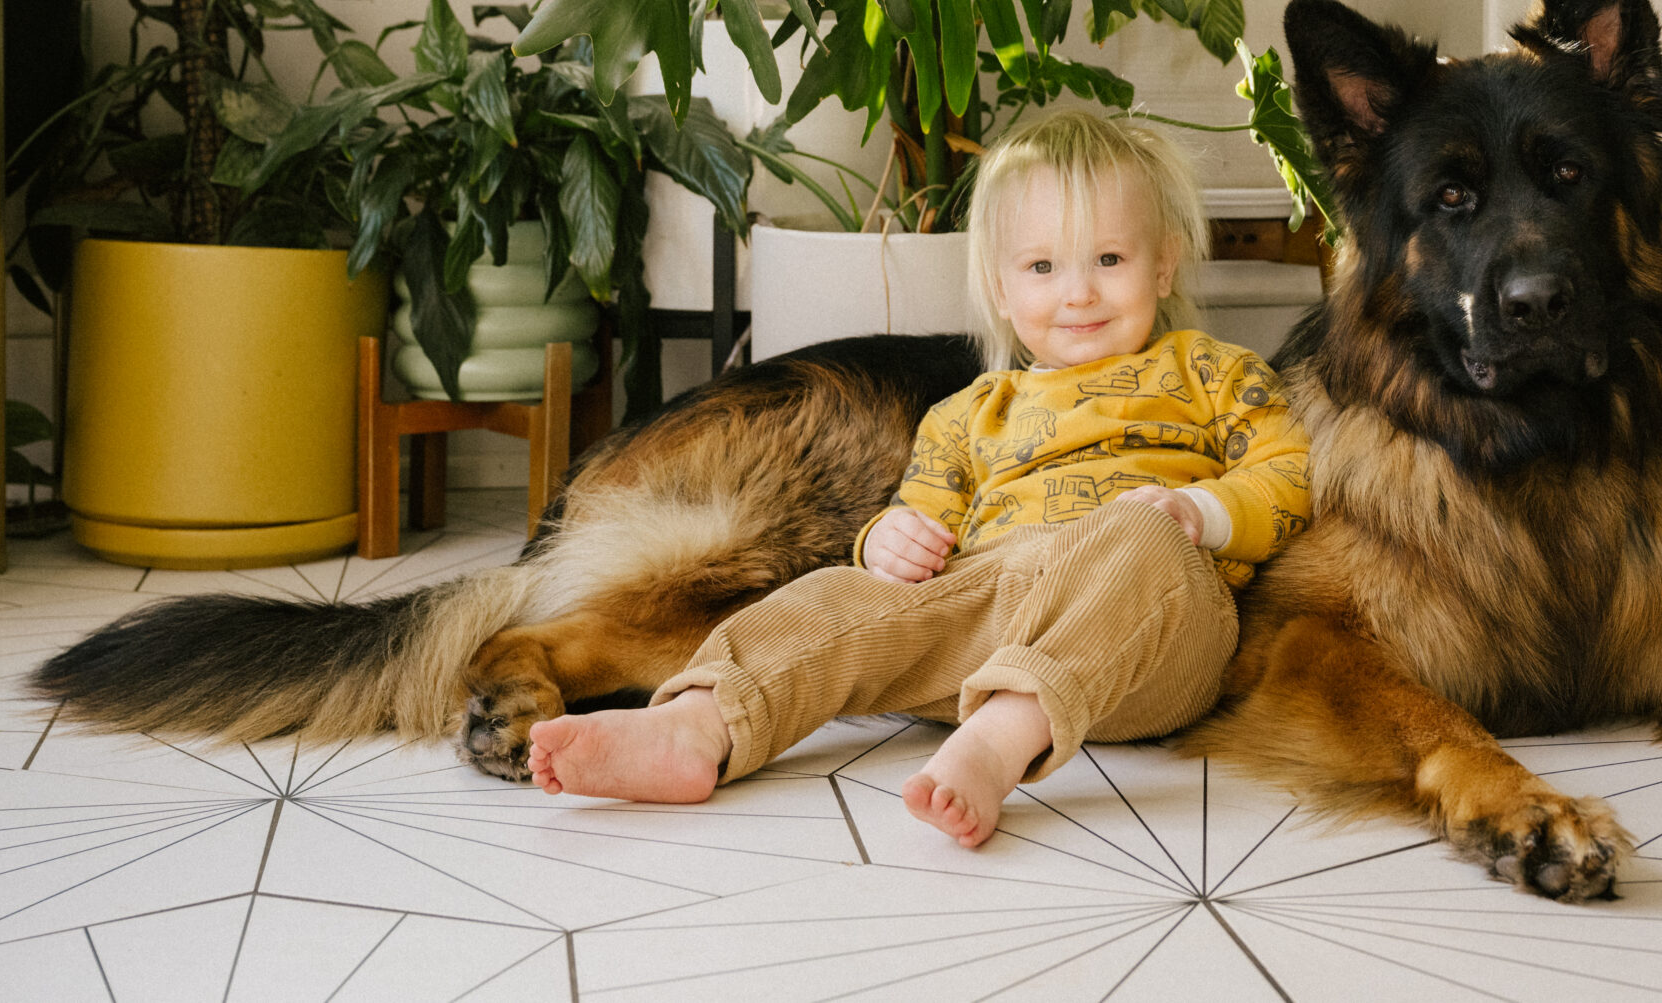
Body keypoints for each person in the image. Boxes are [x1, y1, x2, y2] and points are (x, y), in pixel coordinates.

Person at [524, 110, 1313, 848]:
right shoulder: (969, 410)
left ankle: (1000, 740)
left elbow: (1288, 470)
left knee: (1138, 537)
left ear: (1164, 261)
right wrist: (885, 541)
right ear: (1002, 287)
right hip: (987, 607)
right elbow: (921, 513)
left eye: (1109, 259)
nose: (1077, 291)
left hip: (1149, 637)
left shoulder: (1210, 369)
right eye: (1042, 265)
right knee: (831, 595)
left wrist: (1200, 512)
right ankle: (699, 723)